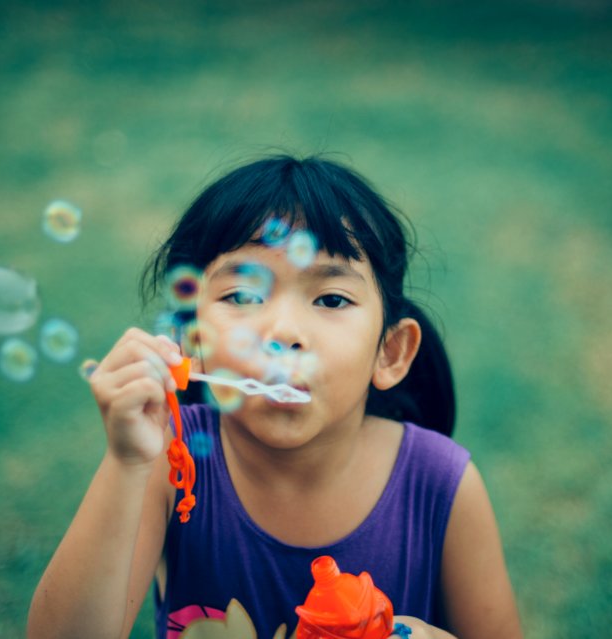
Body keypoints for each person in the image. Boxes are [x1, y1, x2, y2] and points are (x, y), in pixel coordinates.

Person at [27, 155, 522, 639]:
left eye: (331, 299)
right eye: (242, 296)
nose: (282, 331)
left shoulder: (441, 485)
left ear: (389, 352)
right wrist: (127, 462)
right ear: (192, 341)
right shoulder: (169, 462)